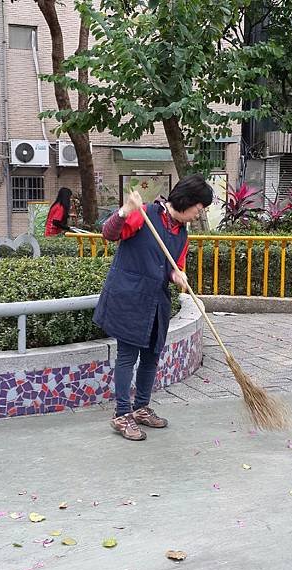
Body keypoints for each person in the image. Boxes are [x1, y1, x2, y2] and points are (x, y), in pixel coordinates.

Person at [94, 173, 213, 441]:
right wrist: (125, 210)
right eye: (199, 208)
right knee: (128, 357)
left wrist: (176, 275)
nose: (199, 214)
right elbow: (108, 233)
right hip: (129, 297)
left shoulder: (182, 234)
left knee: (151, 356)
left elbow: (173, 266)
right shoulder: (145, 214)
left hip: (156, 301)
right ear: (188, 201)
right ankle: (122, 414)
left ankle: (141, 408)